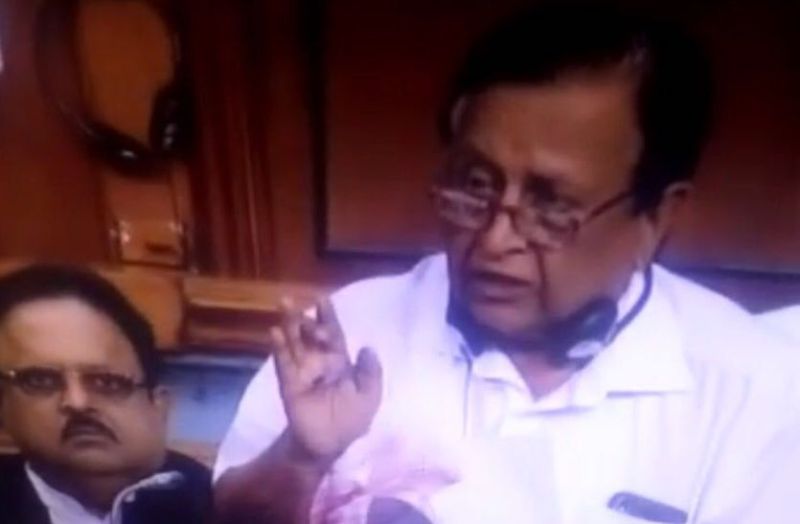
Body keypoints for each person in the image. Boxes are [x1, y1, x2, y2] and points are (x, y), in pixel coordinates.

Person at [214, 3, 800, 523]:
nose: (494, 240)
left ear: (656, 218)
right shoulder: (353, 332)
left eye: (551, 206)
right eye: (475, 185)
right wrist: (302, 460)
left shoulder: (752, 393)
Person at [0, 264, 212, 524]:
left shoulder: (222, 506)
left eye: (107, 382)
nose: (77, 401)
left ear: (159, 407)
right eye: (41, 381)